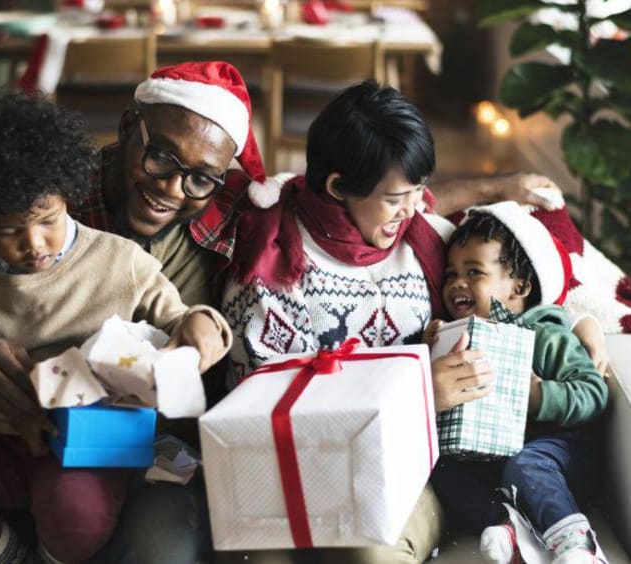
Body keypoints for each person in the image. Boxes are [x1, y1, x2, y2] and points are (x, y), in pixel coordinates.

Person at [0, 59, 587, 563]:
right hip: (35, 434)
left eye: (200, 176)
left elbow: (376, 196)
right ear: (129, 129)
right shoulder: (29, 203)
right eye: (159, 157)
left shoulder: (234, 218)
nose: (172, 188)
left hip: (159, 448)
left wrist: (503, 195)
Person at [223, 81, 607, 562]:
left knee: (369, 555)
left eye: (419, 191)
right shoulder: (271, 269)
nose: (414, 209)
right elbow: (257, 419)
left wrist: (580, 319)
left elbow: (524, 280)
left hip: (407, 466)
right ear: (339, 187)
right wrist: (418, 393)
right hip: (292, 471)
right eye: (396, 198)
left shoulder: (425, 239)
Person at [0, 92, 232, 564]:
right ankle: (11, 557)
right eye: (8, 231)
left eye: (47, 221)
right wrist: (8, 413)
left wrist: (202, 325)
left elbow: (177, 315)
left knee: (78, 515)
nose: (33, 245)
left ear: (69, 194)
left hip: (88, 433)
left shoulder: (121, 260)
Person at [425, 203, 608, 564]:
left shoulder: (543, 333)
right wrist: (431, 347)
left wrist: (539, 395)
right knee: (439, 467)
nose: (457, 283)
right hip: (494, 457)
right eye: (450, 274)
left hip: (557, 453)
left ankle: (577, 546)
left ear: (520, 286)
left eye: (474, 271)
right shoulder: (459, 334)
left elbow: (593, 392)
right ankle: (504, 522)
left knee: (527, 464)